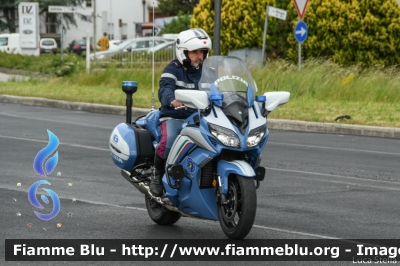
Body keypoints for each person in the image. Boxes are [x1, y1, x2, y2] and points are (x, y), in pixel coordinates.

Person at [150, 28, 212, 196]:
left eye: (203, 52)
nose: (199, 56)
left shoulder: (209, 71)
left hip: (201, 118)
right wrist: (172, 100)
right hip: (176, 116)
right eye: (194, 52)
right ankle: (157, 175)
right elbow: (165, 89)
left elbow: (222, 89)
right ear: (183, 52)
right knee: (169, 140)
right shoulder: (173, 69)